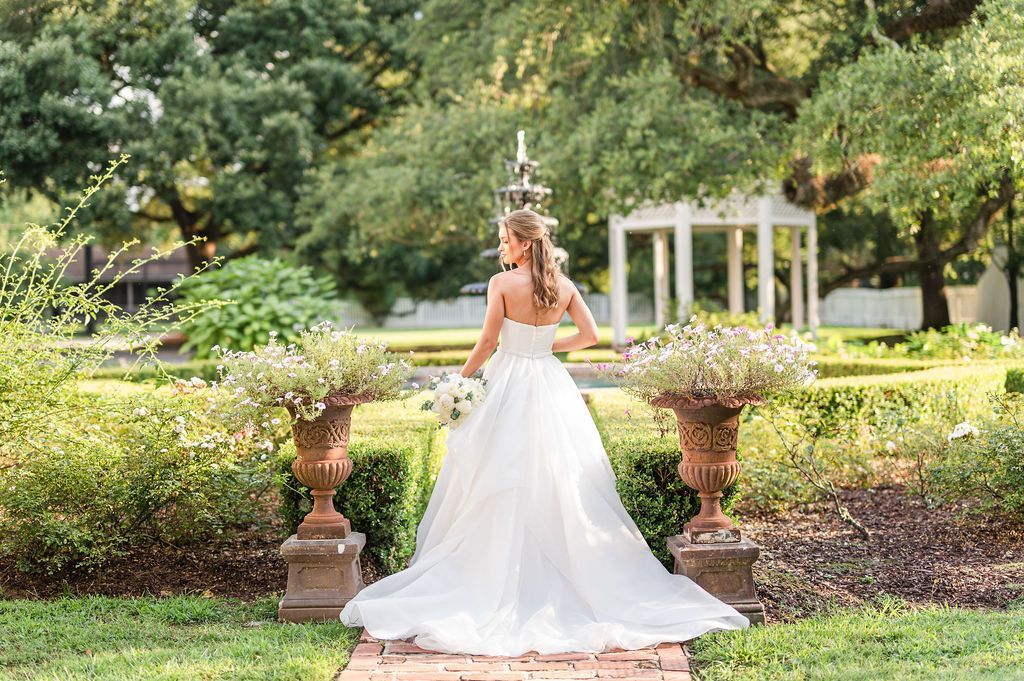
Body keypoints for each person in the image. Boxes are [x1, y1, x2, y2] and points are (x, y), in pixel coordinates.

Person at [339, 208, 749, 655]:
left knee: (496, 472)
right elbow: (591, 335)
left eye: (505, 239)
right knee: (559, 474)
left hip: (507, 381)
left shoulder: (502, 284)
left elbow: (488, 342)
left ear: (526, 242)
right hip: (549, 381)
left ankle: (495, 576)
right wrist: (546, 345)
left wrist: (459, 380)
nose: (501, 246)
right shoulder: (563, 285)